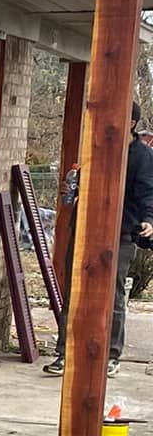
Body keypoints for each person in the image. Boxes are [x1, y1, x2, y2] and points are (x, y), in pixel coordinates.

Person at [45, 102, 153, 376]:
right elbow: (78, 183)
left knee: (114, 296)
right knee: (74, 293)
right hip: (84, 232)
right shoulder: (96, 146)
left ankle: (111, 355)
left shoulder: (141, 156)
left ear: (129, 123)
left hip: (122, 234)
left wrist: (149, 220)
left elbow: (147, 192)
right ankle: (64, 354)